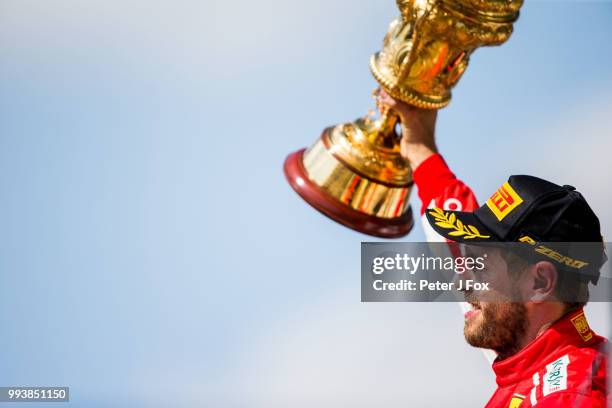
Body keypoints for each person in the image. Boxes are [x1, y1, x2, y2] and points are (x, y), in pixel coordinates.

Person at [379, 90, 609, 407]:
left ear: (540, 283)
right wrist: (420, 150)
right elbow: (452, 248)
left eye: (479, 265)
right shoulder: (534, 361)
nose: (462, 282)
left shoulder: (567, 396)